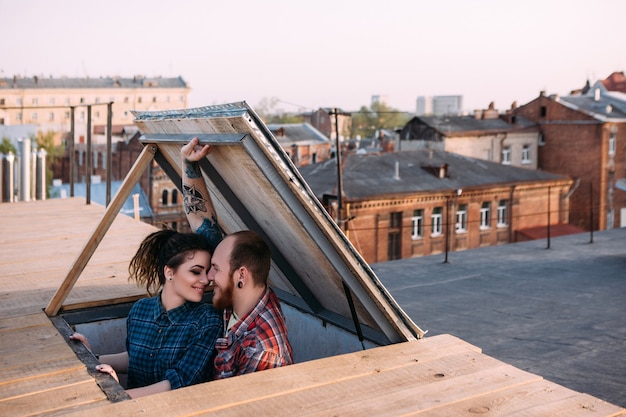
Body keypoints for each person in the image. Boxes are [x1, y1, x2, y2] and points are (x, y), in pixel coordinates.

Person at [181, 137, 294, 379]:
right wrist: (189, 164)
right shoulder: (245, 293)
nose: (208, 276)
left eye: (215, 269)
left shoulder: (260, 351)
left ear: (242, 275)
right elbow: (201, 221)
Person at [70, 230, 223, 398]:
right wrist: (92, 358)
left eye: (207, 271)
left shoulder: (207, 320)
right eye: (196, 271)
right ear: (170, 272)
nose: (206, 280)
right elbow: (135, 357)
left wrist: (119, 395)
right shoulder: (140, 310)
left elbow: (181, 381)